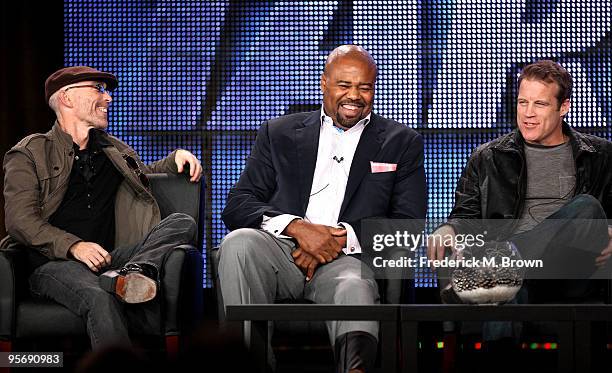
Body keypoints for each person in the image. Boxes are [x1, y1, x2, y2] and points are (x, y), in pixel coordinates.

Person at [218, 45, 427, 373]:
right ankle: (248, 366)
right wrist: (299, 229)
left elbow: (408, 225)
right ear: (324, 84)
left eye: (365, 87)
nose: (354, 96)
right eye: (344, 85)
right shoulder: (280, 133)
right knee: (238, 245)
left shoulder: (401, 142)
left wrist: (339, 238)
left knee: (354, 285)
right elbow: (238, 204)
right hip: (282, 253)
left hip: (347, 260)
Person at [1, 66, 203, 348]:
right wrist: (74, 246)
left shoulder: (114, 150)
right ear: (67, 98)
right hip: (53, 263)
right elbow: (19, 221)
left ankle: (135, 272)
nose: (108, 98)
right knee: (100, 297)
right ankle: (119, 288)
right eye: (98, 89)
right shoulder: (29, 153)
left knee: (181, 222)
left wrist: (175, 158)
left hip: (112, 259)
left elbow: (144, 177)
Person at [427, 60, 612, 337]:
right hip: (517, 277)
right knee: (507, 287)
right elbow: (465, 216)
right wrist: (448, 228)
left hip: (571, 271)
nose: (528, 113)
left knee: (586, 207)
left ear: (564, 107)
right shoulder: (488, 157)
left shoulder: (601, 154)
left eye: (540, 104)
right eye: (522, 102)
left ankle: (497, 261)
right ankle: (501, 267)